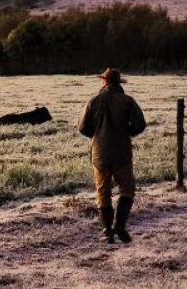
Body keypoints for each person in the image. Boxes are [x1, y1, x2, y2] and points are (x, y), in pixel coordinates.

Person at [78, 68, 146, 244]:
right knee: (127, 189)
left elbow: (82, 128)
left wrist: (97, 135)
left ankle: (107, 231)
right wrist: (127, 132)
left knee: (103, 191)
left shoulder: (94, 100)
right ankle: (119, 225)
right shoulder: (128, 101)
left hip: (99, 153)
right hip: (122, 151)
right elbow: (140, 125)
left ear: (105, 82)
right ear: (119, 82)